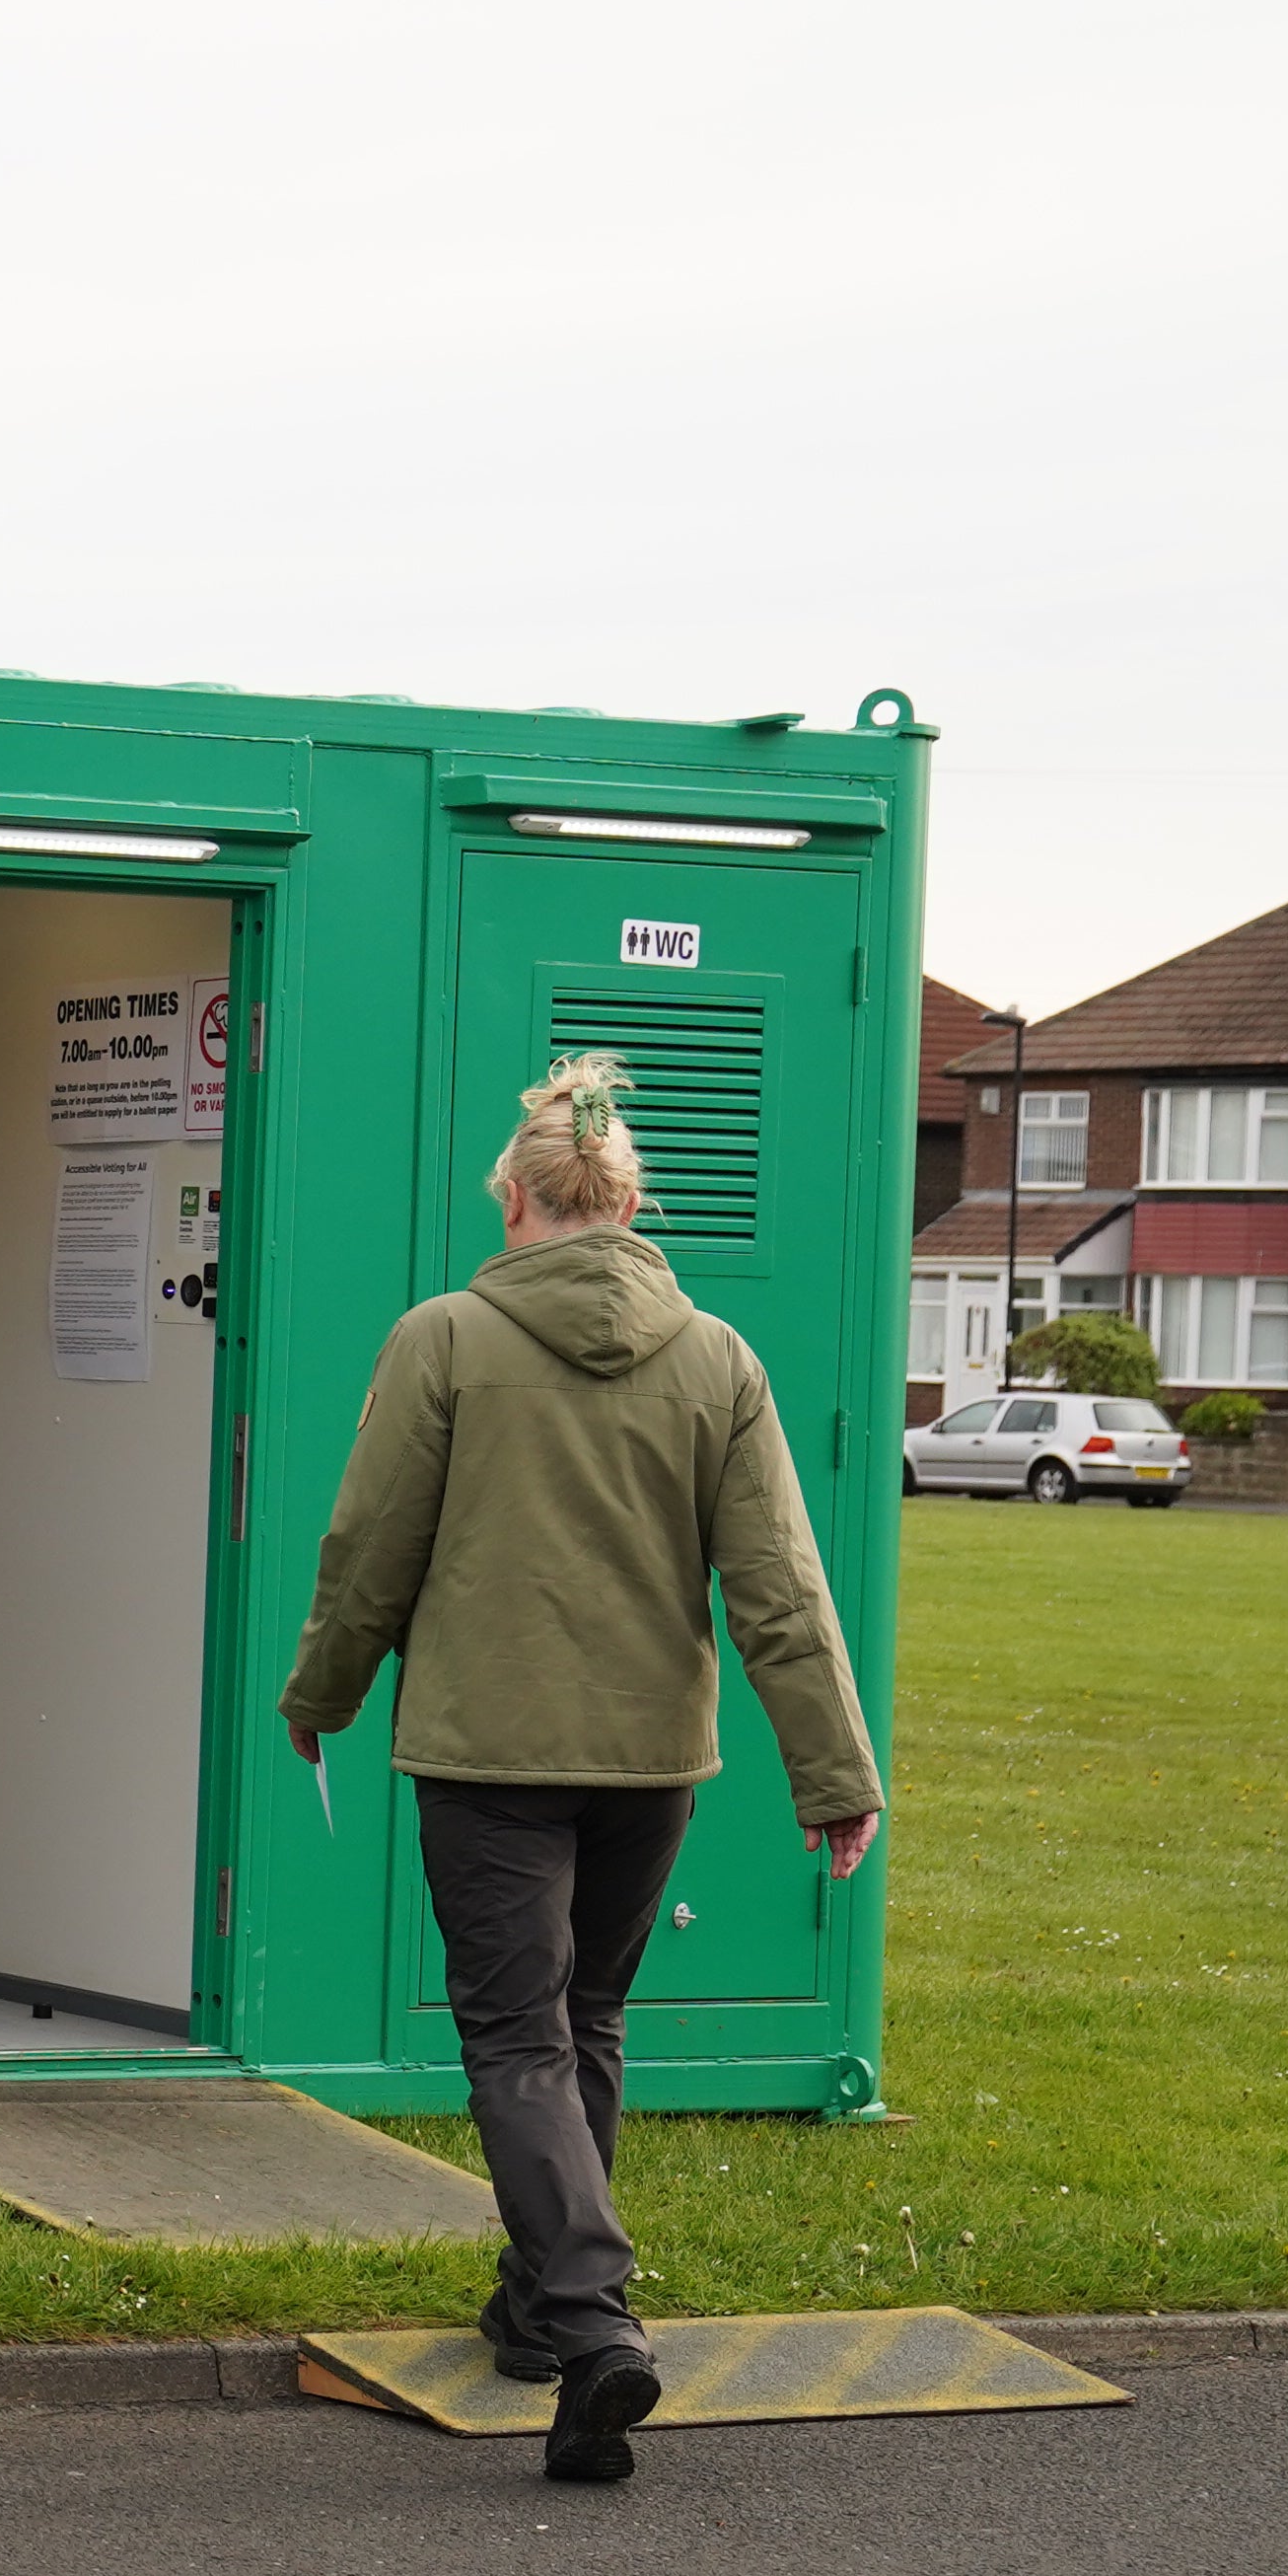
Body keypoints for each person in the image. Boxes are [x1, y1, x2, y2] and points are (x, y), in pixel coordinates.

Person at [276, 1052, 885, 2483]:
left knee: (515, 2035)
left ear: (518, 1202)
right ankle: (542, 2317)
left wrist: (325, 1692)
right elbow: (780, 1587)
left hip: (489, 1753)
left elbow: (371, 1551)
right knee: (587, 2018)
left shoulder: (442, 1341)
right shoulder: (718, 1358)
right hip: (648, 1760)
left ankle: (593, 2319)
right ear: (626, 1202)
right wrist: (835, 1773)